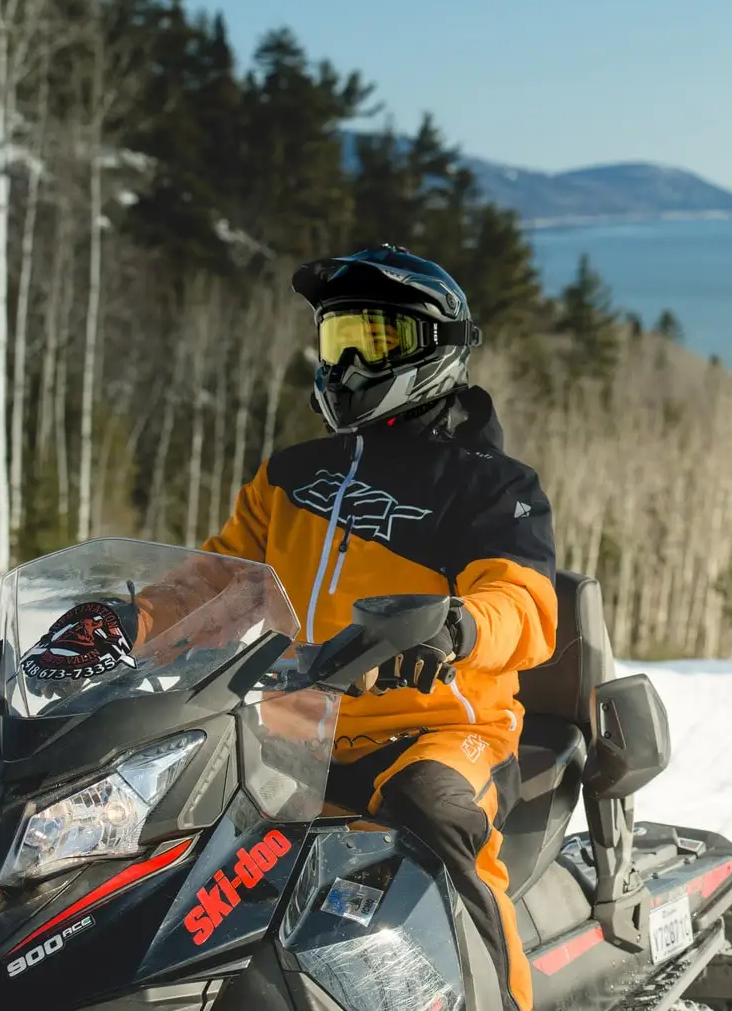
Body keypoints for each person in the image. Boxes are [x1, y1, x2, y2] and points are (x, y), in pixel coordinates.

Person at [191, 245, 556, 1011]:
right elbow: (215, 582)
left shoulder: (490, 484)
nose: (352, 361)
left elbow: (521, 601)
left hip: (437, 731)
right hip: (289, 733)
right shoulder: (288, 474)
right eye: (339, 339)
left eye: (378, 340)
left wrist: (456, 628)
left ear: (437, 350)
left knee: (441, 812)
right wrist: (118, 624)